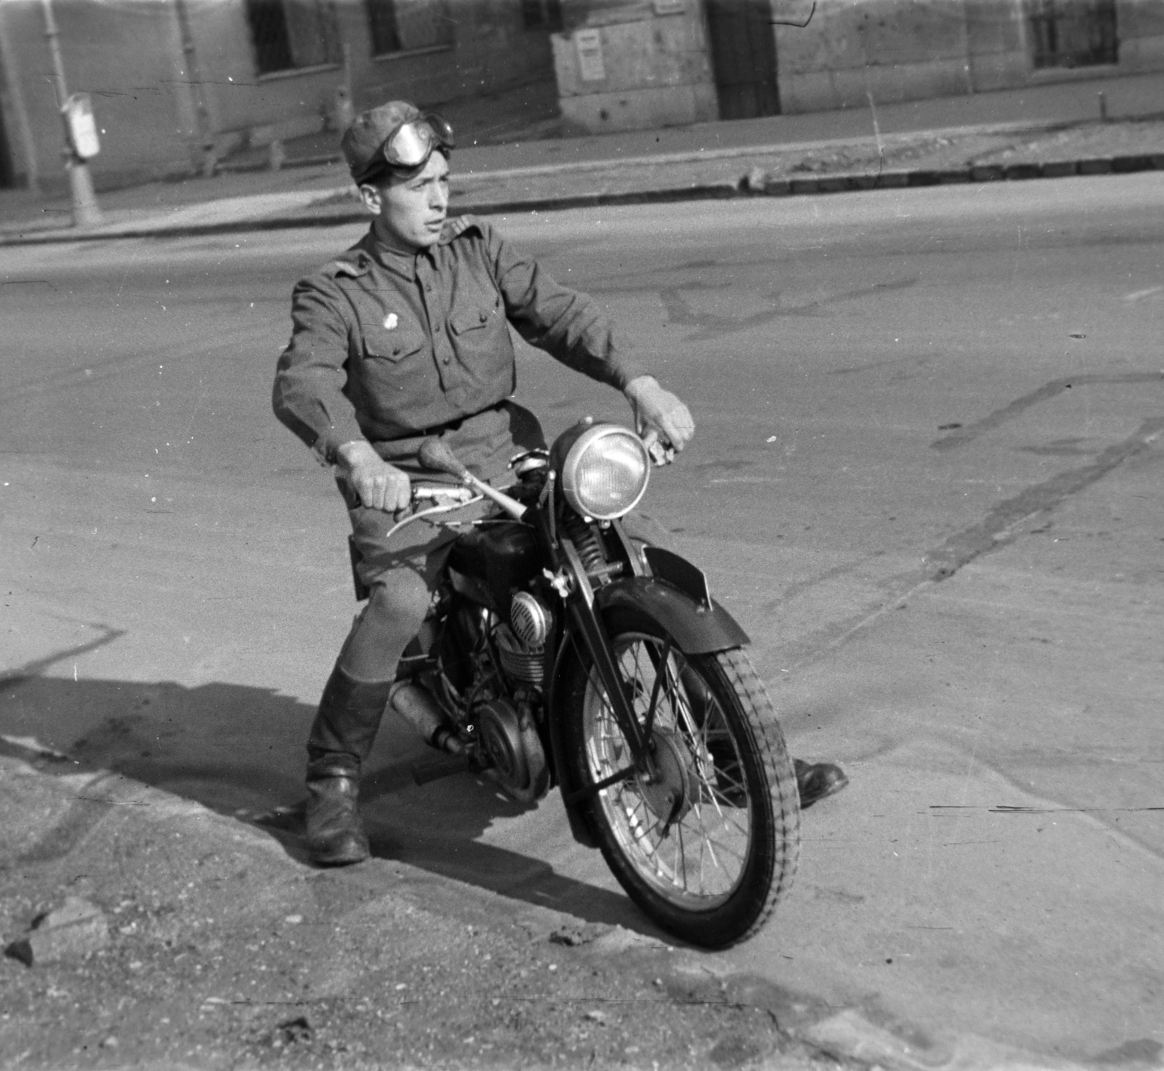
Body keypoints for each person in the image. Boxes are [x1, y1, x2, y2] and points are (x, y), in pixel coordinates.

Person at [272, 101, 845, 867]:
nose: (440, 200)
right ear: (371, 196)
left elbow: (562, 314)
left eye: (445, 181)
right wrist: (357, 457)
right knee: (400, 600)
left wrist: (640, 384)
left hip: (512, 458)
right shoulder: (334, 290)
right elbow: (304, 381)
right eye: (419, 187)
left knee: (633, 554)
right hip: (412, 484)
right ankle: (334, 780)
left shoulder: (479, 251)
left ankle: (735, 756)